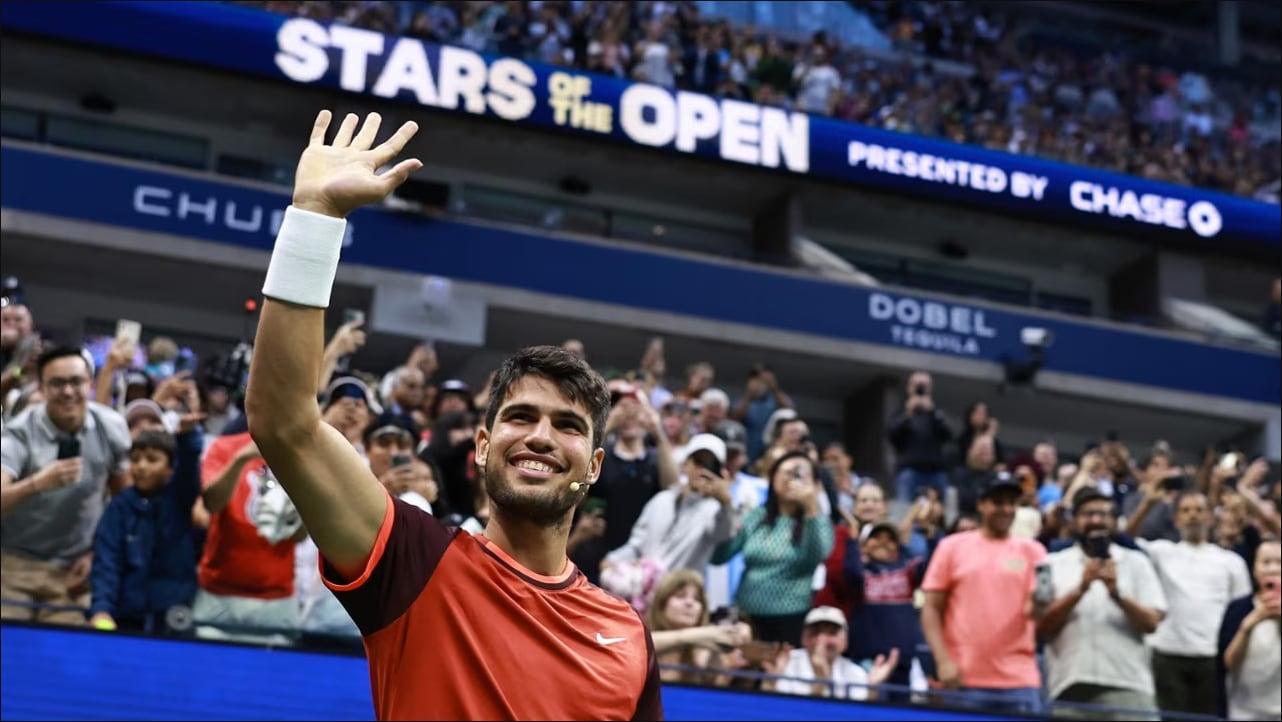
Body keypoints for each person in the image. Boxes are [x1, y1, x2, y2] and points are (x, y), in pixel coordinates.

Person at [245, 110, 661, 720]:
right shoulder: (411, 560)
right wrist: (315, 217)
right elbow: (285, 423)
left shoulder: (627, 635)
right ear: (483, 445)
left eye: (568, 426)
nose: (542, 437)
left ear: (595, 465)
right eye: (521, 417)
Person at [919, 475, 1049, 717]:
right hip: (962, 677)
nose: (1007, 509)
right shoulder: (951, 547)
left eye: (1012, 503)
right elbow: (931, 608)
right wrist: (942, 661)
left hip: (1019, 680)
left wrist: (1041, 604)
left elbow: (1038, 614)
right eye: (998, 502)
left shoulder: (1034, 551)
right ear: (981, 504)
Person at [1038, 488, 1167, 721]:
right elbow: (1040, 626)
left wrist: (1117, 594)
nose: (1096, 520)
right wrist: (1080, 589)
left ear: (1115, 521)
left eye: (1103, 514)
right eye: (1087, 514)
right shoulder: (1050, 563)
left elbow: (1151, 623)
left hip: (1128, 682)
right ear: (1075, 521)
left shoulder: (1138, 562)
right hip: (1069, 684)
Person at [1139, 492, 1251, 719]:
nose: (1193, 516)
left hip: (1211, 656)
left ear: (1211, 517)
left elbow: (1239, 610)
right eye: (1186, 510)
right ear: (1177, 519)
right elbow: (1124, 540)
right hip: (1167, 653)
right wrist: (1147, 503)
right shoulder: (1161, 551)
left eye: (1199, 510)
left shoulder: (1231, 562)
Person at [88, 426, 204, 633]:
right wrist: (102, 609)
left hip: (175, 618)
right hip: (127, 617)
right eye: (135, 459)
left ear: (170, 467)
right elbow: (107, 561)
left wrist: (187, 436)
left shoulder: (179, 499)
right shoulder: (120, 507)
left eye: (152, 459)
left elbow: (189, 467)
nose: (141, 466)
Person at [760, 605, 899, 701]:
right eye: (815, 633)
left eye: (832, 633)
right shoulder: (785, 663)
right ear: (803, 638)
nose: (822, 640)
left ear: (845, 641)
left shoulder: (856, 673)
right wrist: (770, 682)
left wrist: (872, 690)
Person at [1217, 537, 1280, 721]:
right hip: (1244, 712)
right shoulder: (1238, 608)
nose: (1273, 569)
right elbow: (1229, 663)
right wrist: (1249, 626)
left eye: (1279, 562)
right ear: (1255, 568)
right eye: (1266, 562)